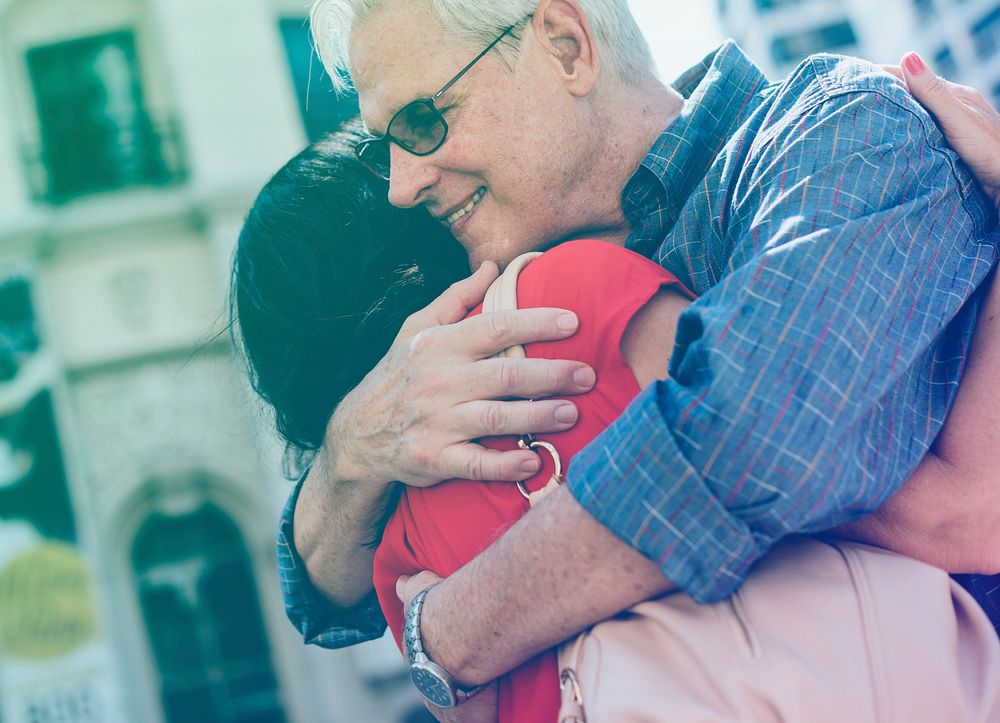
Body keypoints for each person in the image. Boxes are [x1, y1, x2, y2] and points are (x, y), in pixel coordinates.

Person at [287, 0, 999, 708]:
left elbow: (756, 437)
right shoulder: (515, 292)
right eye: (388, 148)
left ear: (567, 46)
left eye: (422, 122)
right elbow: (326, 600)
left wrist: (450, 633)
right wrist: (355, 447)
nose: (401, 186)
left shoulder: (833, 129)